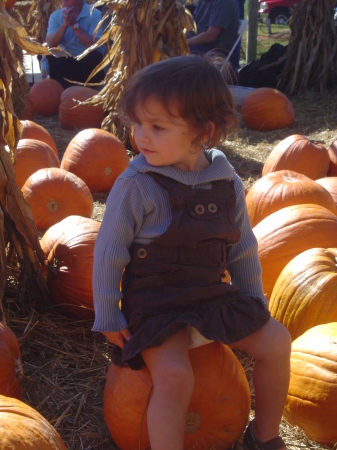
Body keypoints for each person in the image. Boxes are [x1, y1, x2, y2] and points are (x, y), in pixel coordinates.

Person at [92, 54, 291, 450]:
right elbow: (108, 251)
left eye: (157, 127)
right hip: (157, 303)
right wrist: (107, 312)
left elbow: (242, 247)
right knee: (174, 376)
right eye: (137, 124)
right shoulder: (136, 184)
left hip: (209, 294)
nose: (140, 136)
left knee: (278, 342)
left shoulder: (225, 178)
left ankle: (264, 435)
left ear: (204, 132)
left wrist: (252, 299)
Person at [45, 0, 105, 89]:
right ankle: (60, 92)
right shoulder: (56, 16)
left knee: (94, 56)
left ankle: (88, 91)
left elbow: (94, 45)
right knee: (50, 56)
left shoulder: (95, 14)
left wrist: (74, 25)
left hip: (88, 62)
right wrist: (65, 24)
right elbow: (50, 44)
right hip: (67, 60)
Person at [186, 0, 241, 71]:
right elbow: (191, 27)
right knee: (170, 49)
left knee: (177, 52)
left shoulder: (224, 2)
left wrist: (183, 43)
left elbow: (211, 36)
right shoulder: (203, 1)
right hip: (200, 46)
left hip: (215, 51)